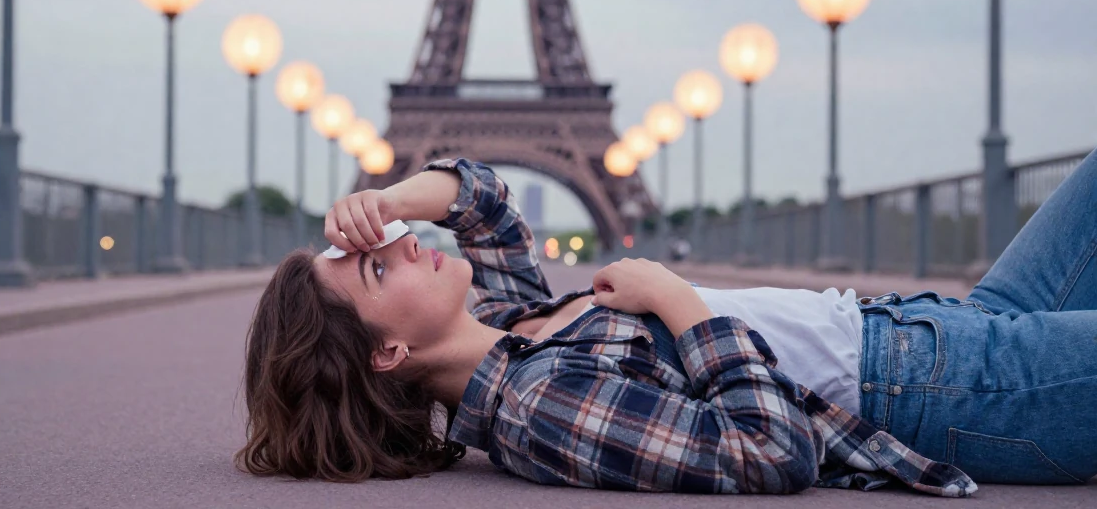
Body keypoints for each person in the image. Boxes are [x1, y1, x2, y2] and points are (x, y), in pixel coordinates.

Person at [236, 151, 1097, 495]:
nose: (399, 244)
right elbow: (768, 452)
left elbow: (485, 205)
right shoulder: (538, 405)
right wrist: (678, 300)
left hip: (941, 326)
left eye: (381, 241)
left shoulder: (512, 323)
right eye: (375, 267)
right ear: (387, 353)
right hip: (956, 388)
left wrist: (388, 199)